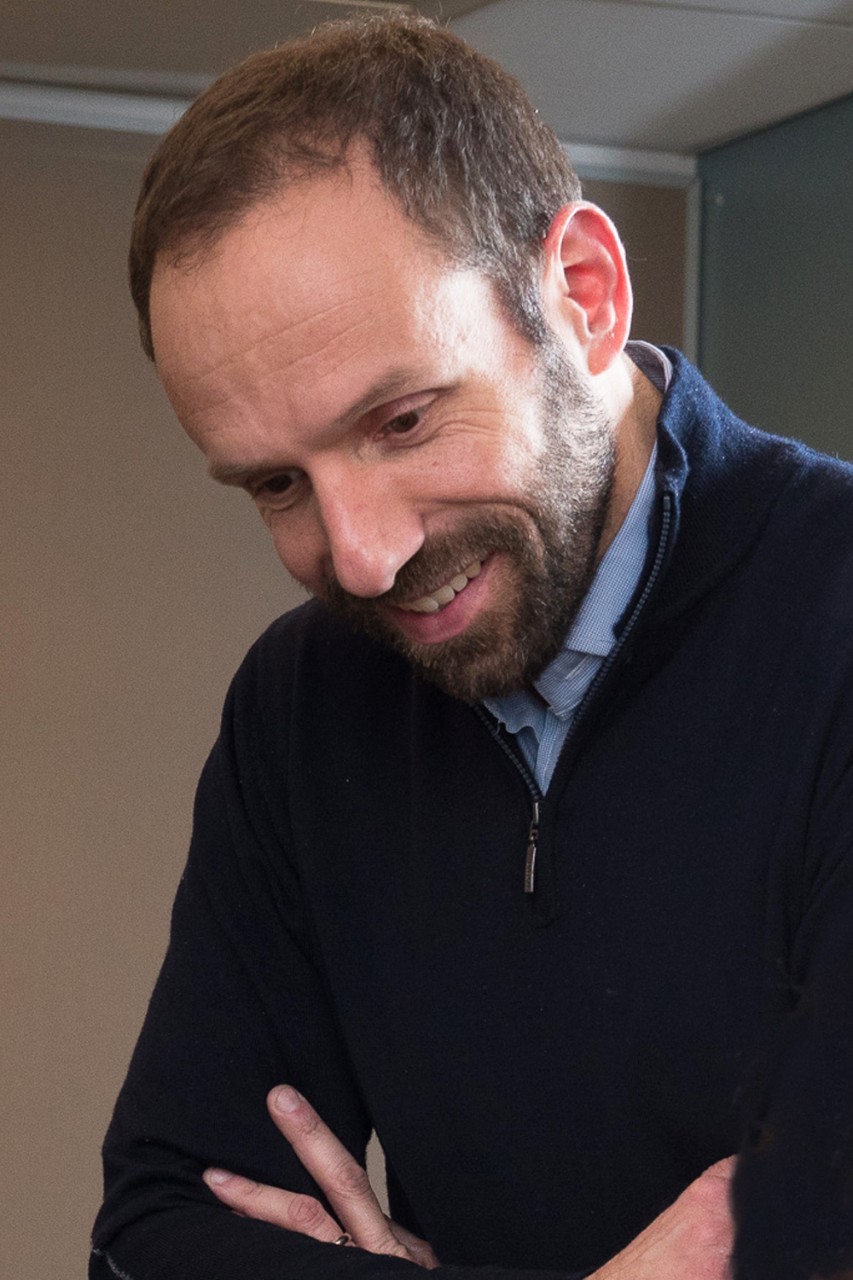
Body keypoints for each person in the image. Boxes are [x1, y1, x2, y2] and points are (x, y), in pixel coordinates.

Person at [92, 15, 853, 1280]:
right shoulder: (301, 703)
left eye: (400, 420)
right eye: (276, 484)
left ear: (585, 298)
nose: (361, 557)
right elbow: (155, 1233)